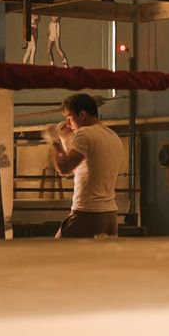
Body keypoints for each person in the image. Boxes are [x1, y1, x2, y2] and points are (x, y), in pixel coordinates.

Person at [46, 92, 123, 238]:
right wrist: (65, 139)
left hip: (87, 213)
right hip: (110, 215)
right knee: (99, 260)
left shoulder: (85, 134)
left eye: (69, 118)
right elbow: (83, 166)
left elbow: (64, 168)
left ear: (82, 115)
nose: (68, 124)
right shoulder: (112, 135)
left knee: (54, 254)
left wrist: (54, 141)